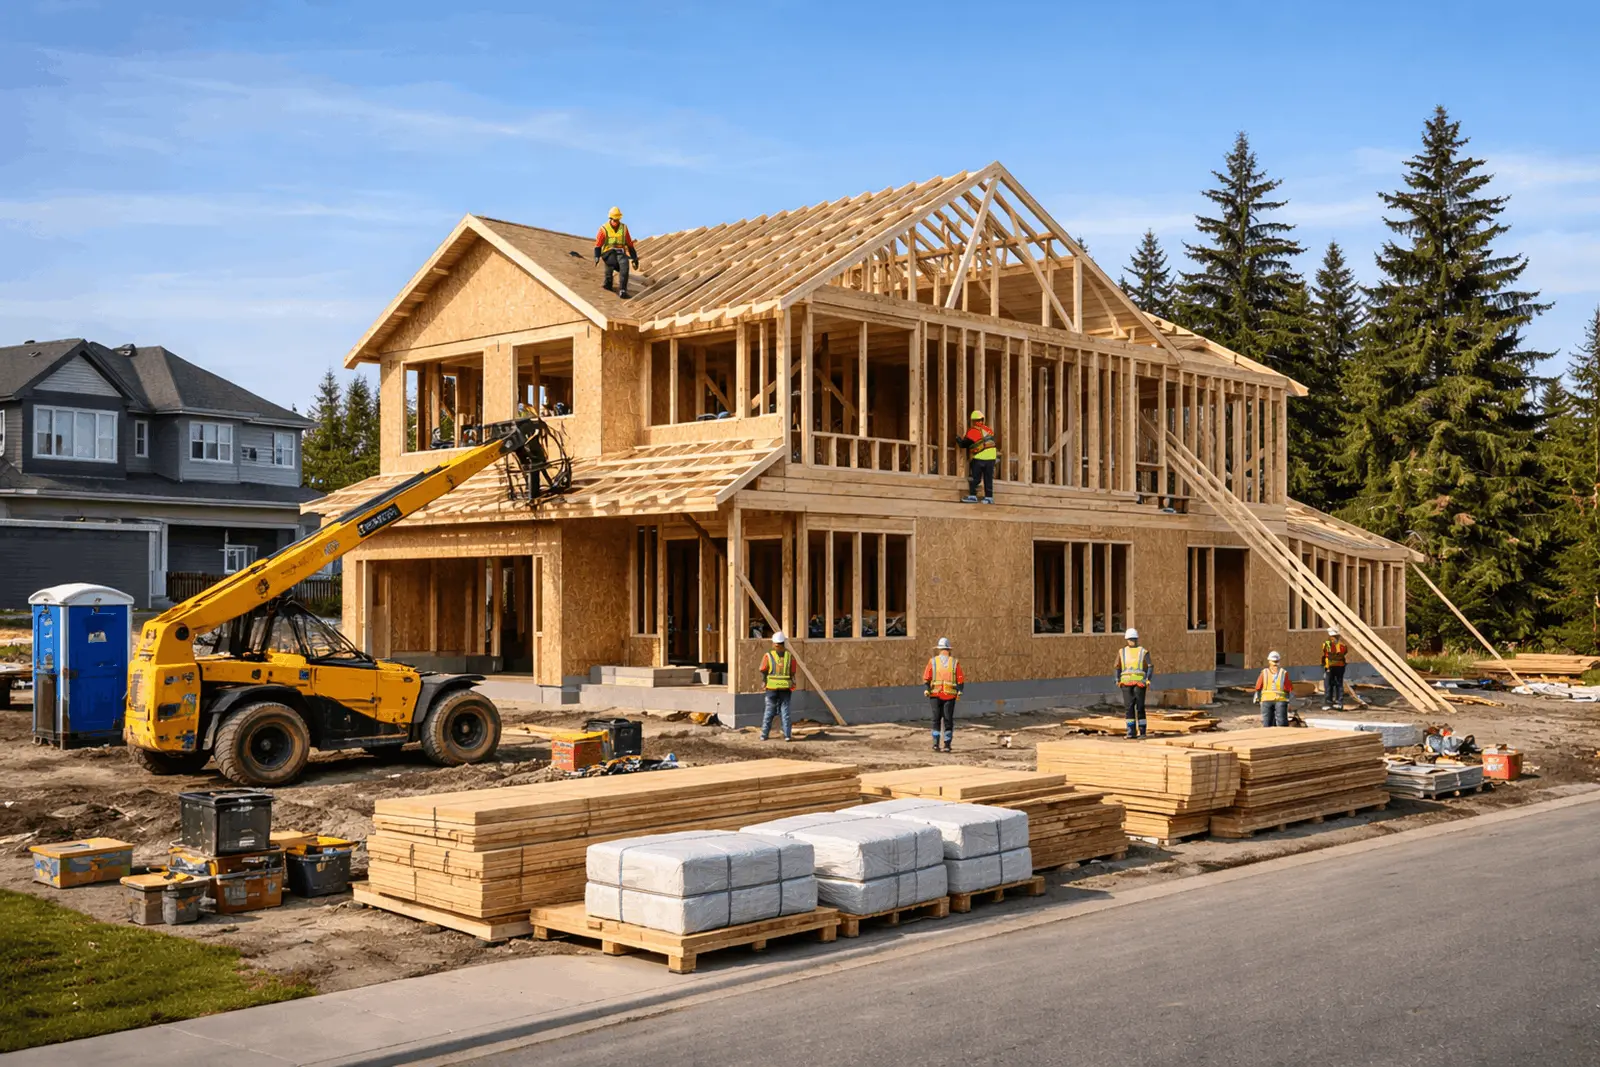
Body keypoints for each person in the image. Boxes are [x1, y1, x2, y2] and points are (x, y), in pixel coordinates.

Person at [922, 637, 965, 753]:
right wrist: (927, 688)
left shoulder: (953, 662)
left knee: (944, 719)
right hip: (937, 694)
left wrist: (960, 689)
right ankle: (938, 744)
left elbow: (960, 678)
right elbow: (927, 677)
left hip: (947, 695)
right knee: (940, 719)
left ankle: (945, 744)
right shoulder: (934, 662)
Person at [757, 631, 797, 742]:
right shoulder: (790, 656)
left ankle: (764, 735)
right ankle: (787, 735)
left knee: (769, 711)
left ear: (774, 643)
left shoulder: (768, 655)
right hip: (785, 688)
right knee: (785, 712)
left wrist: (764, 681)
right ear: (784, 643)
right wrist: (793, 682)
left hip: (772, 688)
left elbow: (762, 669)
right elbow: (793, 671)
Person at [593, 206, 639, 298]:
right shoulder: (604, 229)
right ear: (610, 219)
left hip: (620, 253)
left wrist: (634, 257)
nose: (616, 222)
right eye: (614, 220)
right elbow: (598, 244)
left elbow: (629, 244)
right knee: (612, 261)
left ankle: (622, 290)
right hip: (608, 252)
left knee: (624, 264)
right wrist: (597, 256)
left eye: (617, 220)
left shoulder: (623, 228)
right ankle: (608, 283)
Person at [1115, 628, 1152, 738]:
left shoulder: (1141, 651)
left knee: (1133, 708)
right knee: (1135, 708)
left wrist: (1117, 679)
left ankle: (1136, 732)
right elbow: (1117, 666)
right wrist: (1117, 679)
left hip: (1134, 683)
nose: (1132, 641)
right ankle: (1135, 732)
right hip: (1131, 683)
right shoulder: (1124, 652)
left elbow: (1117, 667)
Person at [956, 409, 998, 504]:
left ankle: (972, 496)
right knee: (988, 478)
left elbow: (964, 444)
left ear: (973, 421)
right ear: (982, 420)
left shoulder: (973, 431)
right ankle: (989, 497)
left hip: (980, 458)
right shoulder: (988, 430)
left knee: (975, 478)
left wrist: (958, 440)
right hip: (991, 458)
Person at [1253, 651, 1291, 727]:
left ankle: (1268, 737)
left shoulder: (1264, 673)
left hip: (1266, 700)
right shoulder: (1283, 673)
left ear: (1269, 661)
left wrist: (1259, 698)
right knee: (1282, 723)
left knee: (1267, 723)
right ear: (1279, 661)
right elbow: (1288, 688)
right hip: (1281, 700)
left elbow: (1258, 687)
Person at [1322, 627, 1349, 711]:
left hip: (1330, 667)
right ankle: (1339, 702)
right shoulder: (1343, 645)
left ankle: (1328, 703)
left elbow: (1325, 653)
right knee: (1339, 684)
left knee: (1328, 685)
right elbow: (1344, 652)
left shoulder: (1327, 644)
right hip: (1340, 666)